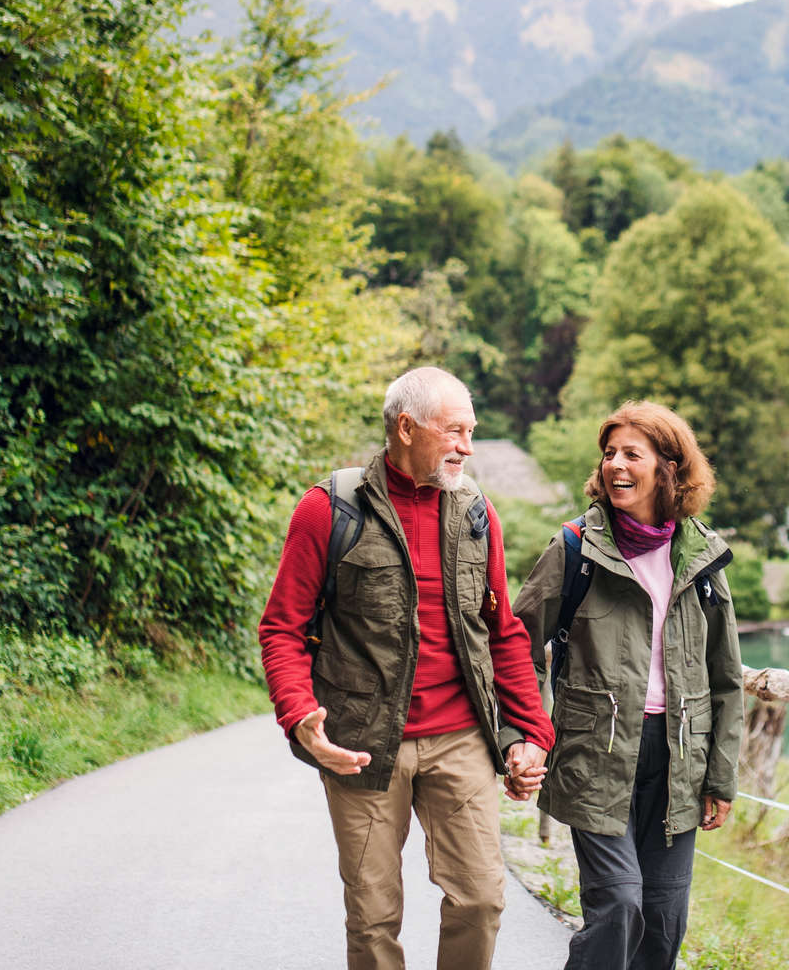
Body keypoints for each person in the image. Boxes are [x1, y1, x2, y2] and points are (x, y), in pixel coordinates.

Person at [258, 366, 553, 970]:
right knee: (372, 919)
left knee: (481, 900)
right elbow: (282, 628)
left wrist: (530, 734)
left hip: (461, 738)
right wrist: (300, 716)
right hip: (361, 745)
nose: (468, 447)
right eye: (455, 432)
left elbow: (502, 632)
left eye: (471, 431)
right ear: (406, 426)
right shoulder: (328, 509)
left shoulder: (477, 513)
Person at [515, 401, 744, 970]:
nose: (616, 465)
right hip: (596, 755)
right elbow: (517, 645)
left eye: (631, 455)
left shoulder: (701, 557)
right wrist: (529, 732)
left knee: (663, 926)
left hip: (678, 764)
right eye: (610, 453)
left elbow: (726, 678)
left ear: (669, 467)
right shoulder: (576, 549)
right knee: (618, 906)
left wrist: (720, 776)